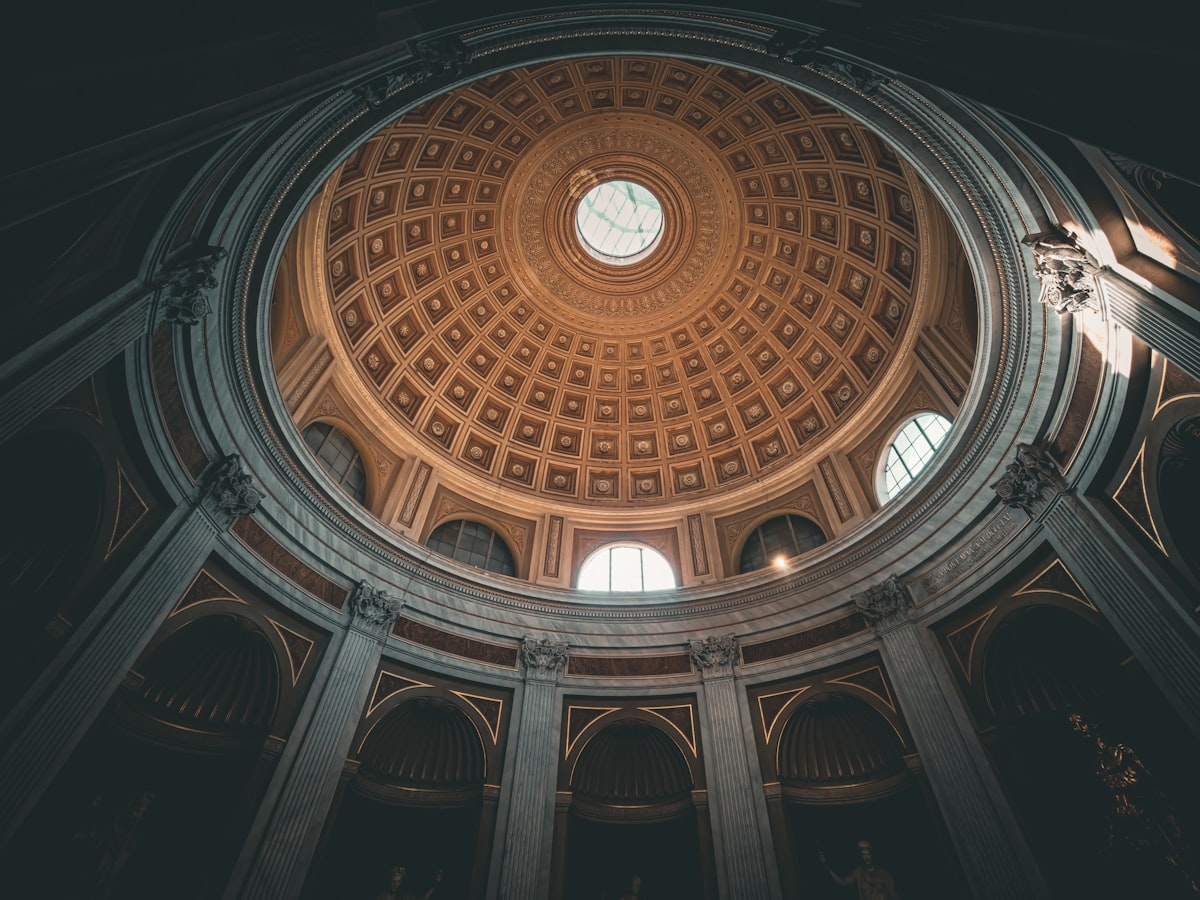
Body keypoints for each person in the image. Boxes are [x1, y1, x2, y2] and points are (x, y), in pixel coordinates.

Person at [818, 840, 900, 900]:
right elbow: (843, 882)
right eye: (864, 854)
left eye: (868, 854)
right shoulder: (859, 872)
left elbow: (894, 895)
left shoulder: (884, 873)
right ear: (861, 856)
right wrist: (827, 866)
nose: (867, 857)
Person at [373, 865, 443, 900]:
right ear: (389, 881)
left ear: (401, 883)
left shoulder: (405, 896)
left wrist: (435, 883)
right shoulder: (381, 896)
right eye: (393, 881)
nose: (395, 884)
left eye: (398, 882)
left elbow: (423, 898)